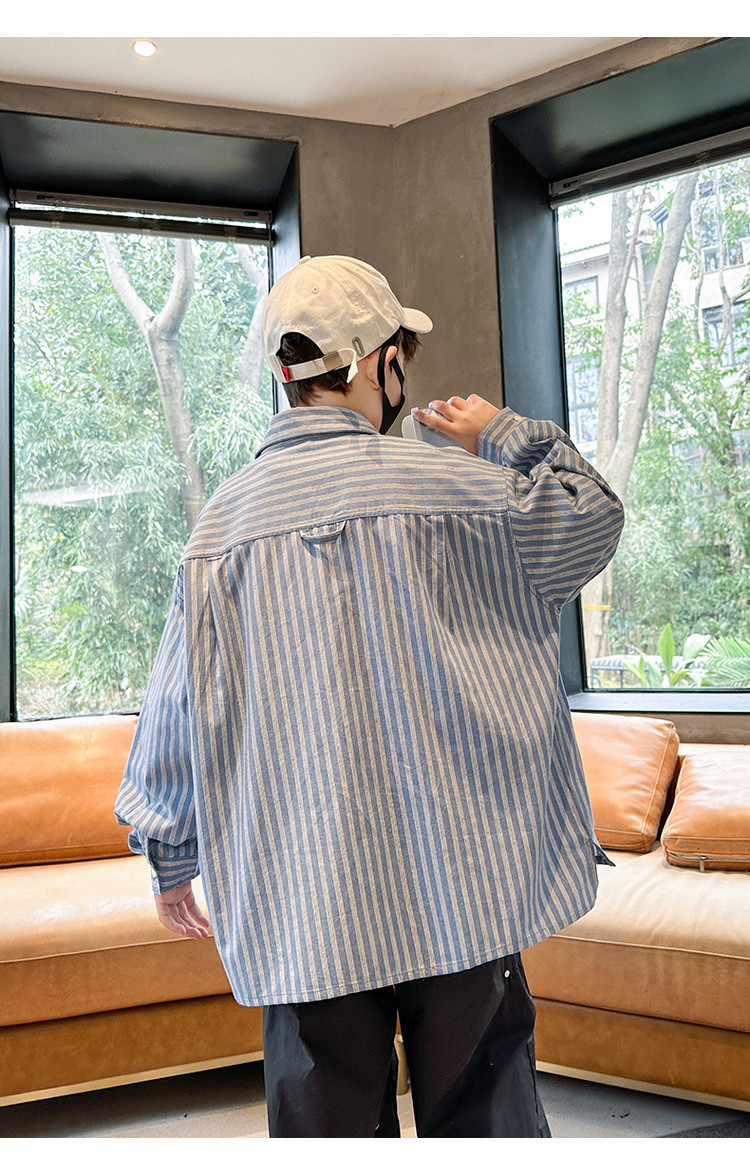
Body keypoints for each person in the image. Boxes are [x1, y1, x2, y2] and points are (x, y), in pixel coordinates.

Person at [115, 254, 624, 1138]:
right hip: (462, 889)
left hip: (303, 903)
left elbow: (178, 704)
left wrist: (170, 852)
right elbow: (592, 516)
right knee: (486, 1130)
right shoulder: (469, 494)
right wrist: (505, 432)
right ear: (383, 363)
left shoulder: (221, 529)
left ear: (287, 376)